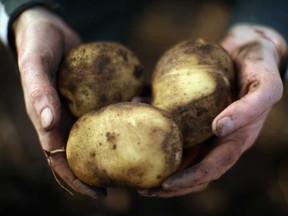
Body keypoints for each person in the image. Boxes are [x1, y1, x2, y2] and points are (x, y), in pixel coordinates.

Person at [0, 0, 287, 199]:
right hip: (73, 16)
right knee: (39, 111)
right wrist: (30, 11)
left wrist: (264, 27)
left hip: (199, 19)